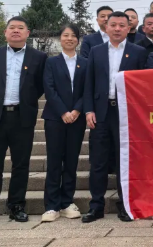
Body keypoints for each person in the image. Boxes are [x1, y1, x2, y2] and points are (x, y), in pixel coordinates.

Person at [0, 16, 48, 225]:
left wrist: (26, 101)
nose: (16, 31)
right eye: (12, 27)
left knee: (21, 164)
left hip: (22, 117)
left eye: (20, 28)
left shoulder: (38, 57)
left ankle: (17, 205)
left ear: (27, 33)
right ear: (5, 32)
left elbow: (40, 86)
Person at [82, 11, 147, 223]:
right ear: (106, 27)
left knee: (124, 161)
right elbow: (89, 82)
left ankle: (125, 205)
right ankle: (96, 206)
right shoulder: (96, 51)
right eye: (113, 25)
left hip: (126, 114)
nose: (117, 29)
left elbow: (143, 85)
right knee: (98, 161)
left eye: (121, 25)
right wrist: (89, 110)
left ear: (128, 28)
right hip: (100, 113)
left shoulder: (138, 52)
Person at [41, 24, 88, 222]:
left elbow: (88, 89)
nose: (69, 38)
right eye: (65, 35)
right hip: (55, 118)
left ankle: (67, 202)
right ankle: (52, 205)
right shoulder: (51, 62)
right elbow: (49, 88)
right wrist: (63, 112)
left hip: (77, 118)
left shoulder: (85, 63)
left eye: (73, 35)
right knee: (54, 161)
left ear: (78, 39)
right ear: (60, 39)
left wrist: (76, 110)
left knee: (71, 161)